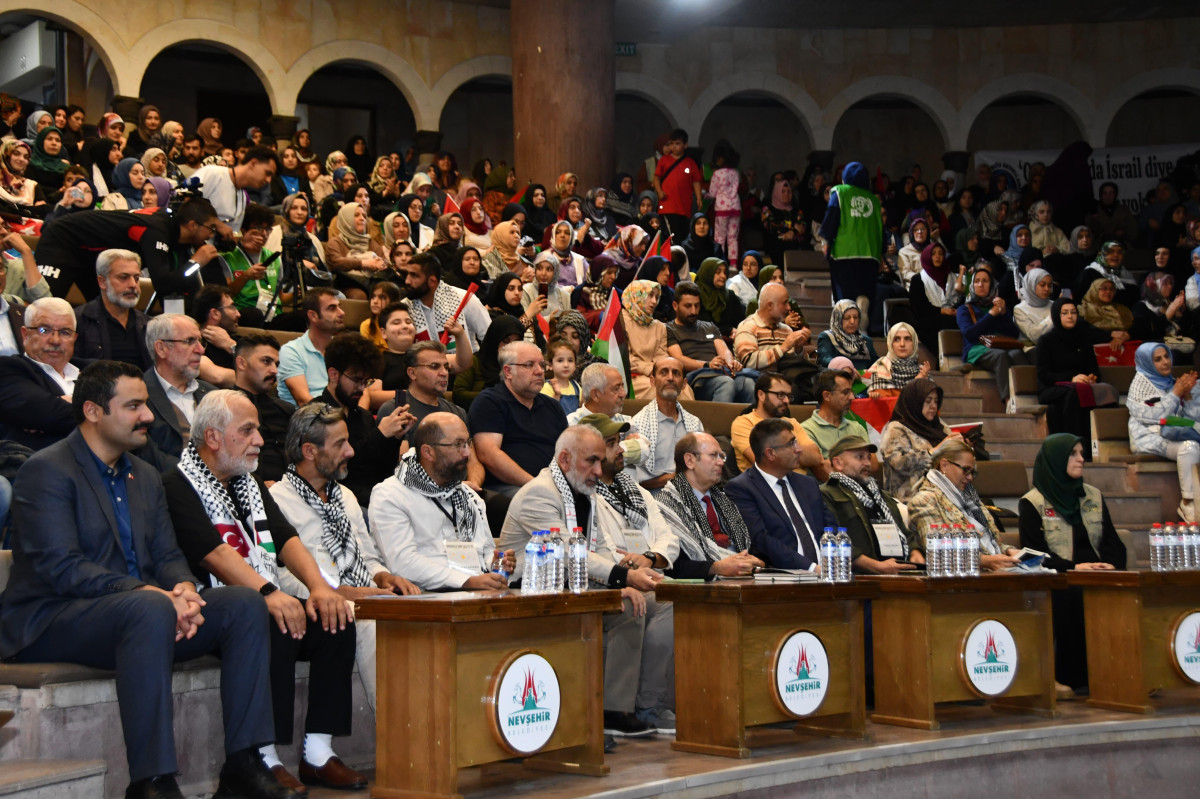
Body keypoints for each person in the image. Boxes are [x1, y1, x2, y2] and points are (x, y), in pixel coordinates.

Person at [1, 362, 297, 799]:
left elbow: (168, 556)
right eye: (134, 405)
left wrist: (185, 590)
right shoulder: (47, 470)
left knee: (243, 603)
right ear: (93, 410)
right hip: (51, 620)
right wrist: (155, 594)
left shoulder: (144, 477)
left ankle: (243, 762)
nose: (148, 416)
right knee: (149, 608)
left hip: (140, 615)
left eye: (146, 404)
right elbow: (61, 567)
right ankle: (152, 780)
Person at [497, 424, 674, 736]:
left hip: (575, 586)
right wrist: (625, 578)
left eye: (600, 461)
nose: (598, 469)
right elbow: (568, 551)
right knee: (631, 606)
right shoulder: (540, 493)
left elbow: (601, 548)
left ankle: (639, 705)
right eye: (591, 461)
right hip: (533, 592)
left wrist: (629, 581)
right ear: (565, 459)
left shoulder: (584, 493)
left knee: (660, 601)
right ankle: (606, 713)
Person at [269, 403, 420, 712]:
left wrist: (384, 577)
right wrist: (334, 593)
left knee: (419, 611)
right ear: (309, 451)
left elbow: (368, 557)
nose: (351, 451)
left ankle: (429, 720)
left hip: (362, 595)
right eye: (340, 444)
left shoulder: (345, 495)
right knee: (368, 621)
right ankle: (398, 734)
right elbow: (275, 575)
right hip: (315, 606)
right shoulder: (277, 501)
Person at [1019, 434, 1124, 691]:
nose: (1081, 458)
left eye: (1081, 452)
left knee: (1127, 590)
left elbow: (1113, 543)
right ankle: (1077, 678)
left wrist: (1110, 565)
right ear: (1056, 459)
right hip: (1061, 575)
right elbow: (1034, 555)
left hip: (1096, 573)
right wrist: (1074, 568)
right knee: (1074, 594)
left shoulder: (1093, 496)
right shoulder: (1032, 503)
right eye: (1073, 453)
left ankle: (1126, 671)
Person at [370, 412, 513, 592]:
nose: (467, 453)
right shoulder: (390, 495)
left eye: (467, 443)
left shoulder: (469, 496)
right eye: (458, 445)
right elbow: (403, 563)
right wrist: (466, 581)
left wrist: (496, 564)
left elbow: (484, 552)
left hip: (475, 593)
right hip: (423, 599)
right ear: (428, 452)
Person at [34, 196, 223, 303]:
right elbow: (163, 283)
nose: (211, 234)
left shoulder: (170, 225)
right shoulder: (157, 231)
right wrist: (195, 262)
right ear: (192, 225)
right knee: (46, 304)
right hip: (62, 240)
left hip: (90, 256)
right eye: (210, 228)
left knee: (103, 310)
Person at [317, 333, 416, 507]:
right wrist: (380, 434)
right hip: (337, 501)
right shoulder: (315, 414)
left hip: (375, 498)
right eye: (356, 380)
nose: (362, 388)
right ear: (333, 374)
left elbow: (381, 469)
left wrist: (394, 438)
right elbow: (337, 470)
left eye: (366, 381)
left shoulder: (363, 416)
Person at [726, 419, 836, 571]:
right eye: (791, 444)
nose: (798, 449)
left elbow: (831, 528)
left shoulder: (808, 484)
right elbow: (761, 540)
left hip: (829, 572)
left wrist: (834, 564)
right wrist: (812, 568)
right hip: (784, 578)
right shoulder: (741, 489)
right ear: (770, 453)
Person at [651, 431, 766, 576]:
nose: (721, 462)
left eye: (722, 456)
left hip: (745, 577)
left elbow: (750, 544)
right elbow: (671, 565)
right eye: (713, 456)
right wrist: (716, 568)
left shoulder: (726, 498)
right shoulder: (664, 506)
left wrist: (758, 561)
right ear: (690, 461)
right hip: (699, 587)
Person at [469, 340, 568, 495]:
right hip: (510, 487)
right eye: (529, 365)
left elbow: (567, 452)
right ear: (508, 372)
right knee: (540, 503)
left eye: (541, 365)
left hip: (554, 485)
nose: (539, 371)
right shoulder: (490, 402)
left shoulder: (552, 406)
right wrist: (537, 485)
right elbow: (489, 454)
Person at [906, 438, 1022, 570]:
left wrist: (1008, 551)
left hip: (990, 573)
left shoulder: (970, 498)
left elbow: (990, 543)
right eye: (965, 470)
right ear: (944, 465)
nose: (970, 477)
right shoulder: (924, 501)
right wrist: (986, 561)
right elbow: (940, 553)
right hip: (959, 581)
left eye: (972, 472)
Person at [822, 435, 925, 574]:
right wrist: (875, 566)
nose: (867, 463)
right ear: (838, 463)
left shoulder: (882, 496)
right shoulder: (827, 495)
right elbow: (833, 540)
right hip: (860, 578)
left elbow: (906, 534)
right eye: (860, 457)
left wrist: (915, 553)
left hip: (899, 571)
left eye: (868, 457)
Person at [1035, 299, 1123, 454]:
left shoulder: (1083, 339)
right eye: (1065, 313)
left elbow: (1094, 370)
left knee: (1107, 391)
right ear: (1057, 315)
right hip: (1052, 388)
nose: (1070, 316)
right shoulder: (1046, 341)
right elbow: (1044, 375)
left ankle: (1103, 448)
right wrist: (1072, 378)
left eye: (1073, 312)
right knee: (1074, 394)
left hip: (1081, 386)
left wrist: (1092, 377)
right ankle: (1076, 447)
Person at [0, 297, 88, 450]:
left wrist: (71, 401)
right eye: (44, 330)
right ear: (25, 334)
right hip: (42, 467)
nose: (55, 340)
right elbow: (49, 415)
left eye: (65, 332)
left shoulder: (92, 368)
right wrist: (106, 410)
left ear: (74, 338)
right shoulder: (9, 369)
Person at [1127, 343, 1200, 522]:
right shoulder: (1140, 386)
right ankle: (1188, 503)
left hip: (1174, 434)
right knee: (1189, 447)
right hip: (1148, 437)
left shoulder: (1173, 383)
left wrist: (1188, 396)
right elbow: (1154, 417)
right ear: (1147, 362)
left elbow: (1191, 418)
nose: (1165, 362)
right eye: (1158, 359)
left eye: (1166, 357)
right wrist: (1175, 394)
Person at [667, 280, 754, 403]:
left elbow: (724, 350)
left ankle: (748, 422)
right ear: (675, 306)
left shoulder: (709, 326)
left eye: (696, 305)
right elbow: (678, 359)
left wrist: (731, 363)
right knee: (726, 383)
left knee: (748, 383)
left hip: (719, 372)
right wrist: (707, 364)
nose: (693, 311)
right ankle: (717, 422)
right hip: (697, 377)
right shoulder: (670, 329)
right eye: (688, 306)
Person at [143, 314, 215, 462]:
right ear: (161, 348)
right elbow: (146, 457)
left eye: (200, 341)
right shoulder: (139, 396)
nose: (200, 350)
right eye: (189, 341)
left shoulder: (212, 394)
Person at [627, 357, 704, 491]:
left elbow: (703, 468)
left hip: (691, 497)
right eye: (664, 372)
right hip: (654, 501)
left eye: (676, 373)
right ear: (652, 381)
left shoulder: (695, 424)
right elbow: (635, 480)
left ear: (684, 383)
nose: (670, 378)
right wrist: (675, 478)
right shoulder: (637, 424)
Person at [956, 265, 1029, 403]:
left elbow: (1013, 334)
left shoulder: (998, 305)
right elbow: (969, 334)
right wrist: (991, 315)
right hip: (976, 348)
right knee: (1000, 356)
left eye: (985, 281)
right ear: (972, 285)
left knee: (1016, 354)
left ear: (991, 285)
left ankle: (1029, 395)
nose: (981, 284)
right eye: (977, 281)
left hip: (1000, 344)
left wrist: (1003, 314)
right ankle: (1009, 401)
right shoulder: (964, 309)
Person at [230, 333, 295, 483]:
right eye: (266, 362)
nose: (274, 370)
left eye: (276, 364)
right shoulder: (224, 408)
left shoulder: (286, 410)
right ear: (242, 363)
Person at [72, 248, 152, 370]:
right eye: (123, 277)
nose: (133, 285)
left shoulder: (149, 324)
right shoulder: (78, 321)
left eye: (136, 278)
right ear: (102, 282)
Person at [728, 372, 822, 474]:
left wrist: (780, 452)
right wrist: (798, 453)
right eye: (780, 395)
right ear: (761, 395)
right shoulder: (744, 423)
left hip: (800, 485)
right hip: (764, 486)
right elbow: (765, 463)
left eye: (789, 396)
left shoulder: (792, 422)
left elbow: (815, 457)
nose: (786, 400)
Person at [733, 282, 814, 400]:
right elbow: (749, 362)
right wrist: (782, 348)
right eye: (785, 303)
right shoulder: (747, 327)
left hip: (783, 378)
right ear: (770, 305)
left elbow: (793, 364)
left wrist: (798, 348)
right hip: (755, 379)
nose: (789, 308)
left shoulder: (786, 330)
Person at [820, 161, 884, 307]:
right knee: (865, 291)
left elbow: (832, 216)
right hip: (870, 253)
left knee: (844, 297)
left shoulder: (840, 192)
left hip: (845, 252)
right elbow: (879, 228)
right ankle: (862, 304)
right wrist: (881, 255)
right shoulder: (874, 200)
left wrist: (826, 241)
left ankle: (849, 316)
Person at [401, 252, 491, 354]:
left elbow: (490, 338)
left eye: (414, 276)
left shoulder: (463, 298)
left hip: (466, 367)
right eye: (407, 274)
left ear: (432, 282)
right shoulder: (403, 308)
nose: (407, 281)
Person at [191, 145, 279, 237]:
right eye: (267, 173)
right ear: (253, 163)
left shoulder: (243, 197)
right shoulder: (213, 173)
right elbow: (183, 203)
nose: (269, 180)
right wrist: (216, 223)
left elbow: (233, 233)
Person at [277, 288, 344, 406]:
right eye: (332, 308)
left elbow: (362, 392)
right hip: (309, 420)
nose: (342, 312)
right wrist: (342, 417)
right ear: (313, 316)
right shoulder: (291, 351)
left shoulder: (344, 349)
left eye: (339, 306)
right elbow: (304, 401)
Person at [799, 369, 870, 470]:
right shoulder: (806, 430)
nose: (852, 397)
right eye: (845, 392)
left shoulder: (856, 427)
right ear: (827, 396)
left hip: (860, 485)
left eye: (851, 392)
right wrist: (857, 461)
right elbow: (823, 471)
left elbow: (873, 465)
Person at [653, 129, 702, 239]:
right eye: (672, 143)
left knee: (682, 236)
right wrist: (659, 191)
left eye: (678, 144)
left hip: (684, 207)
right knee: (670, 237)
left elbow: (696, 182)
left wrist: (699, 198)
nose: (674, 147)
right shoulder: (664, 161)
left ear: (685, 145)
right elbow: (656, 179)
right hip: (667, 206)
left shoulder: (690, 162)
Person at [867, 322, 930, 398]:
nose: (902, 344)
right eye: (897, 339)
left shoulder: (923, 371)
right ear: (890, 344)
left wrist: (921, 382)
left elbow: (930, 404)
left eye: (907, 339)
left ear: (914, 344)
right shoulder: (883, 366)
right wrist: (915, 383)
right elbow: (886, 404)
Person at [191, 284, 241, 378]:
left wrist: (231, 345)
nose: (238, 314)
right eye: (232, 307)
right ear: (215, 314)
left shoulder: (237, 341)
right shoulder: (196, 347)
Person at [816, 299, 877, 370]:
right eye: (847, 318)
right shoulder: (827, 337)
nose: (852, 321)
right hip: (837, 377)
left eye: (855, 317)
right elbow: (825, 358)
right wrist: (845, 367)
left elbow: (875, 363)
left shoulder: (866, 341)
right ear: (838, 319)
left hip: (864, 379)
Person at [567, 363, 634, 426]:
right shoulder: (571, 425)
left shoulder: (627, 423)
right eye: (616, 389)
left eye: (622, 386)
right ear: (596, 395)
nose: (623, 394)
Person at [540, 338, 582, 414]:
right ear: (550, 365)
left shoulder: (577, 387)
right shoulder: (547, 388)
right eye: (560, 360)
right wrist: (557, 396)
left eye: (570, 360)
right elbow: (545, 415)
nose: (566, 365)